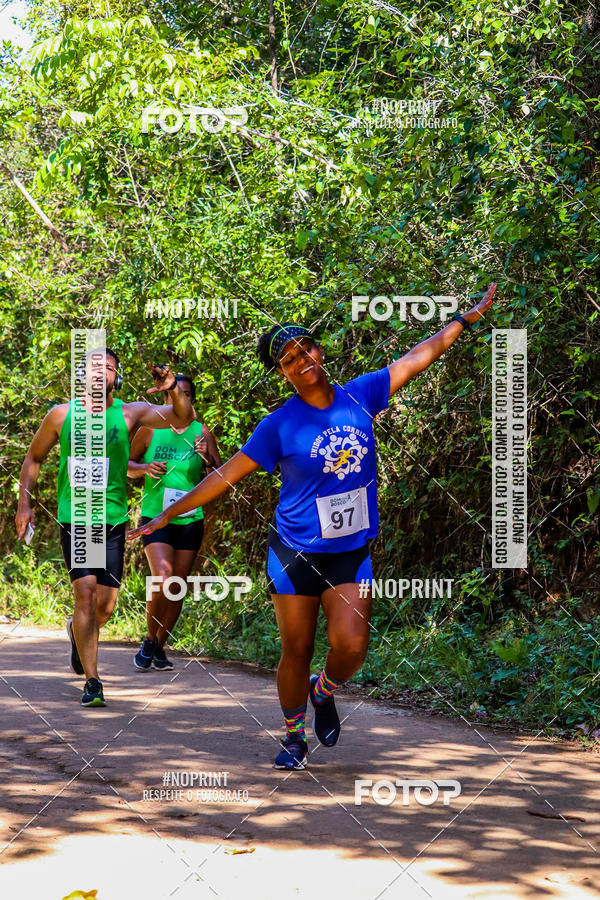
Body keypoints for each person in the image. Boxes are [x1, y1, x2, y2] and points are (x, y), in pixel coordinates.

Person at [127, 285, 496, 767]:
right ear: (282, 374)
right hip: (294, 549)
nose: (302, 361)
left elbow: (417, 357)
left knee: (352, 646)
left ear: (319, 351)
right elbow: (224, 474)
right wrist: (168, 514)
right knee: (295, 647)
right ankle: (293, 737)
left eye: (306, 349)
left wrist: (464, 320)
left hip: (349, 549)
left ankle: (325, 691)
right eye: (288, 360)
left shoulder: (361, 394)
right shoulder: (278, 425)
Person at [15, 350, 193, 707]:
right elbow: (34, 457)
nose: (100, 374)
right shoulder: (62, 415)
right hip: (77, 515)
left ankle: (75, 632)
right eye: (94, 369)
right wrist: (25, 503)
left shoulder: (130, 413)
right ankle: (93, 682)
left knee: (105, 608)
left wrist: (172, 387)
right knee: (85, 594)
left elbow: (180, 418)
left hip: (112, 518)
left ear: (118, 377)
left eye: (108, 368)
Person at [127, 374, 221, 671]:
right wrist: (144, 468)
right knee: (163, 580)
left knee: (177, 587)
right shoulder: (149, 429)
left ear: (191, 399)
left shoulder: (201, 431)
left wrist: (207, 458)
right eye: (173, 394)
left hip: (189, 519)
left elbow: (220, 474)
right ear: (165, 399)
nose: (179, 399)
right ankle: (148, 639)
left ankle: (158, 645)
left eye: (186, 394)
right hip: (155, 518)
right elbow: (125, 465)